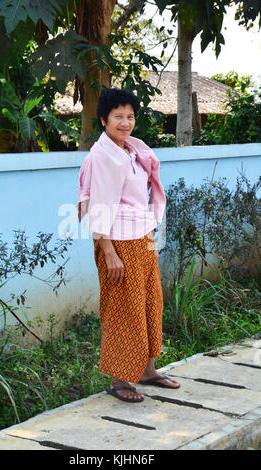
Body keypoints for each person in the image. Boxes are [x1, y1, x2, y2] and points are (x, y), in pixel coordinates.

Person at [77, 88, 180, 403]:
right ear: (104, 119)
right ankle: (119, 379)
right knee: (124, 309)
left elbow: (141, 199)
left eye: (130, 116)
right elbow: (93, 205)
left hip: (141, 237)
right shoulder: (100, 157)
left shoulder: (134, 152)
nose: (125, 122)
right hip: (117, 242)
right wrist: (108, 252)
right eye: (118, 116)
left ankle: (147, 370)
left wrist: (150, 241)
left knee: (150, 304)